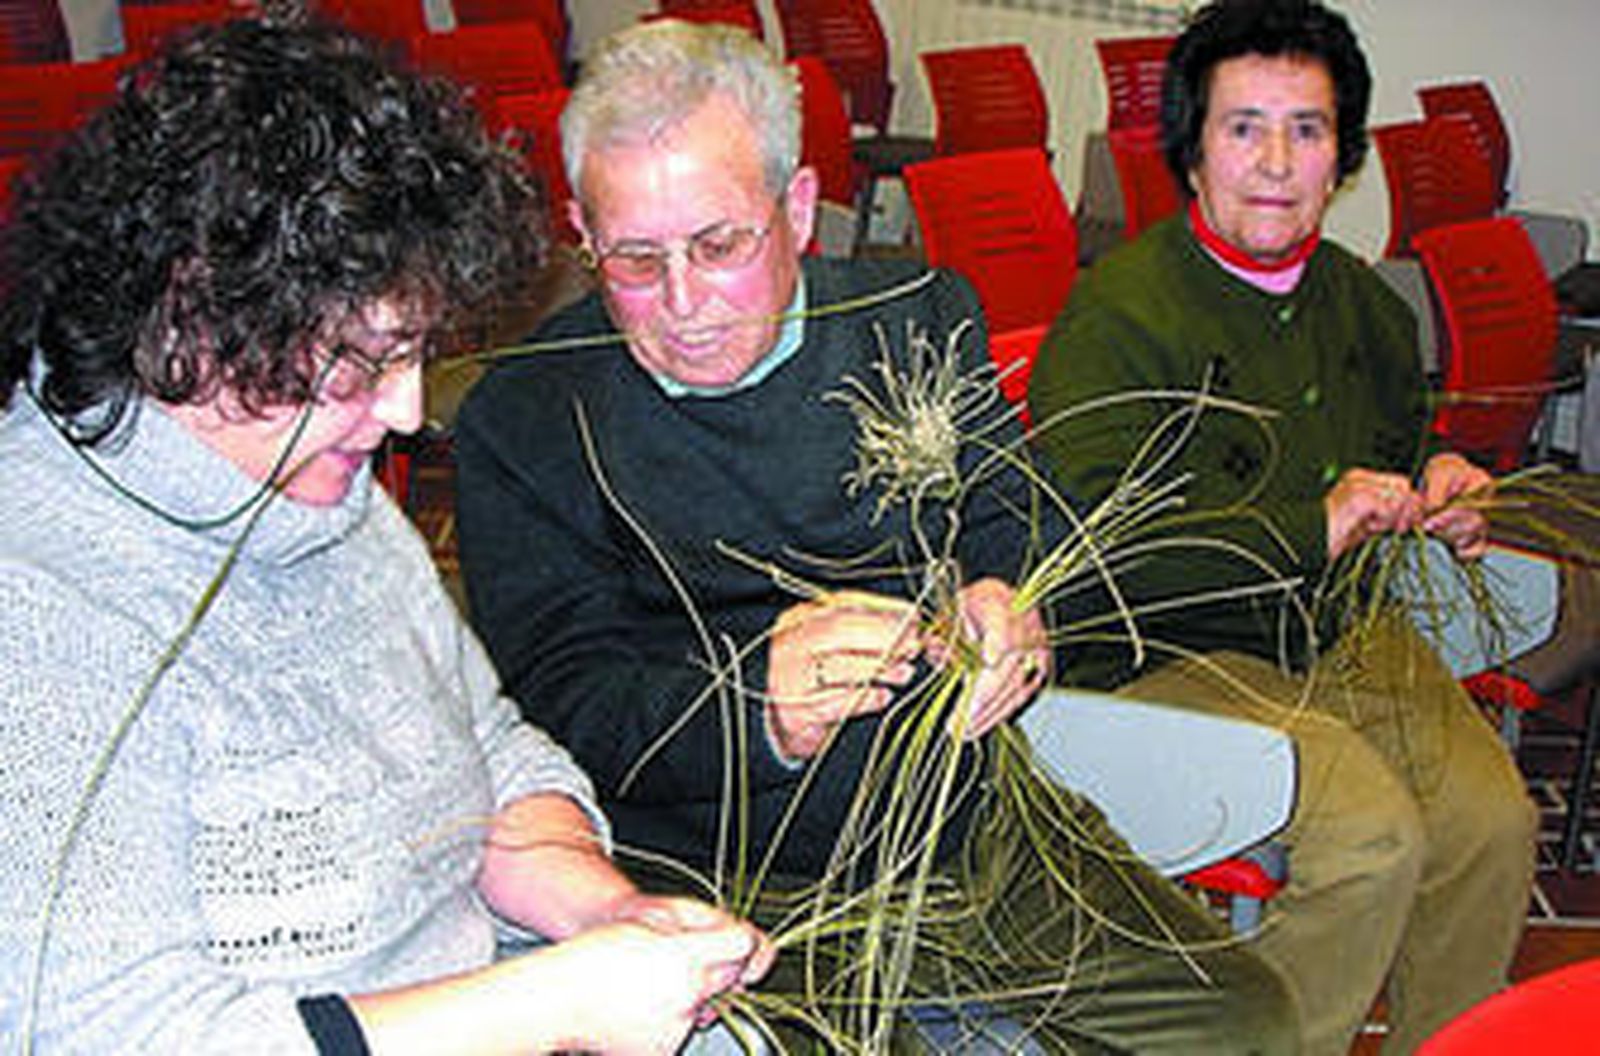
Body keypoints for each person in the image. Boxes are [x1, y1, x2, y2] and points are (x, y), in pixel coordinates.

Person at [455, 18, 1295, 1053]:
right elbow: (562, 700)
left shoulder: (915, 318)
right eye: (633, 259)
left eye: (720, 246)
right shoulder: (527, 416)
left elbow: (1020, 523)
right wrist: (753, 705)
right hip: (733, 880)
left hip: (970, 830)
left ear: (798, 209)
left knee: (1245, 1027)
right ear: (582, 233)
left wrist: (1014, 605)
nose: (682, 304)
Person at [0, 18, 771, 1054]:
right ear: (193, 318)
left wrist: (595, 911)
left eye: (413, 353)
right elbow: (102, 1035)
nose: (407, 411)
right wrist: (548, 1004)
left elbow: (489, 751)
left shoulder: (320, 494)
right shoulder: (36, 599)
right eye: (359, 364)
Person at [1027, 2, 1537, 1052]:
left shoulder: (1368, 308)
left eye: (1306, 131)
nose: (1273, 162)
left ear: (1342, 156)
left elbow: (1392, 451)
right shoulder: (1119, 312)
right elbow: (1101, 551)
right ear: (1191, 148)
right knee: (1371, 840)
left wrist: (1438, 481)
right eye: (1241, 127)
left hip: (1336, 632)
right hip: (1163, 650)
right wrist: (1315, 522)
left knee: (1494, 826)